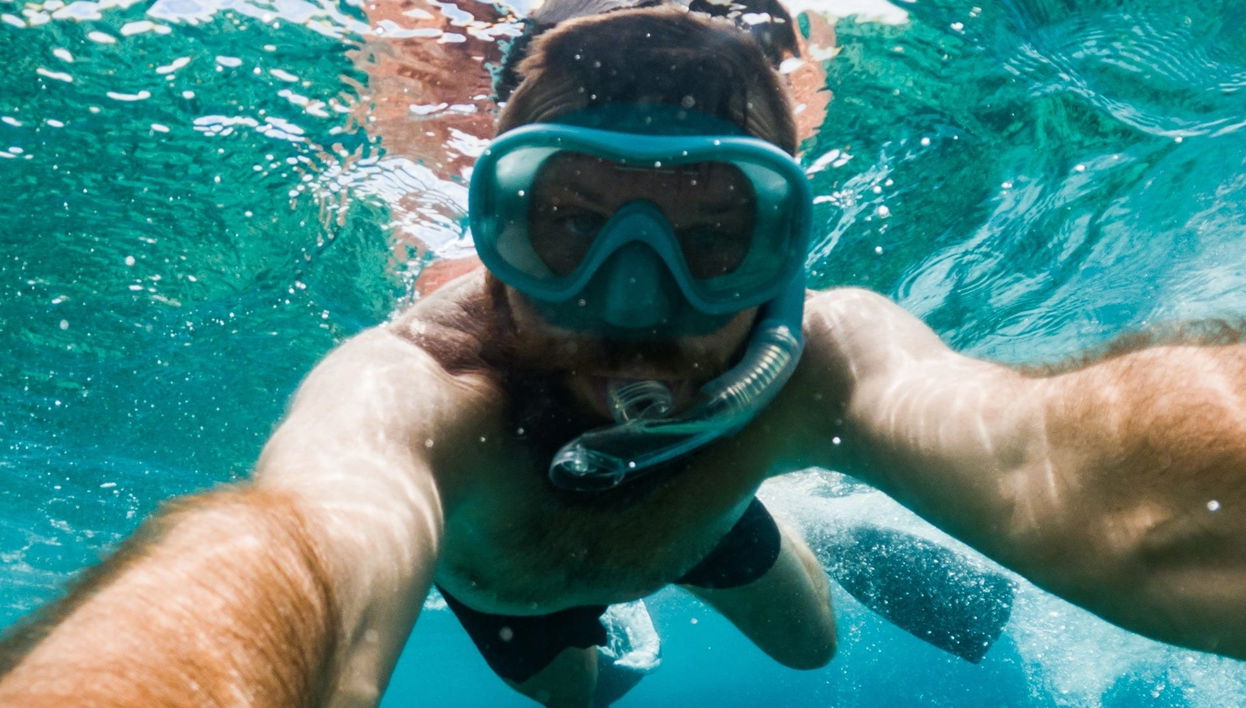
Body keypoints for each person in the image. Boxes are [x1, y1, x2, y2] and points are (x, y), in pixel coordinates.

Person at [0, 3, 1243, 708]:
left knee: (808, 645)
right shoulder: (408, 388)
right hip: (511, 583)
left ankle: (802, 524)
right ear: (492, 233)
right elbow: (304, 549)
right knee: (585, 698)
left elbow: (1063, 462)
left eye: (714, 232)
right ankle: (659, 610)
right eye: (571, 226)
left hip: (695, 519)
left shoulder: (827, 353)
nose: (634, 298)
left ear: (784, 238)